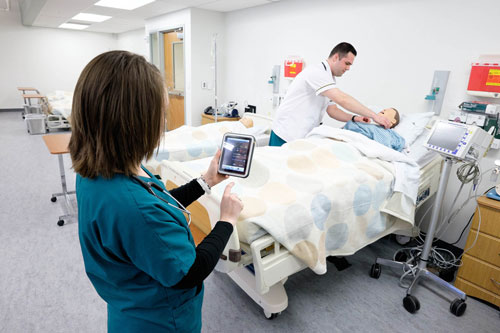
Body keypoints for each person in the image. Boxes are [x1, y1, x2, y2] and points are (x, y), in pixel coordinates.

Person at [69, 50, 243, 332]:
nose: (162, 124)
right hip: (161, 321)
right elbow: (189, 272)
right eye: (160, 115)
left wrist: (205, 181)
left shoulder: (98, 171)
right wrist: (227, 220)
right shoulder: (134, 208)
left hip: (129, 307)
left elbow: (157, 202)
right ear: (135, 122)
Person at [269, 42, 392, 146]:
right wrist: (375, 116)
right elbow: (342, 99)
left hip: (301, 135)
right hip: (286, 133)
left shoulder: (329, 79)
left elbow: (333, 111)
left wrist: (354, 118)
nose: (348, 68)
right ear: (335, 57)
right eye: (347, 63)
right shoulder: (316, 72)